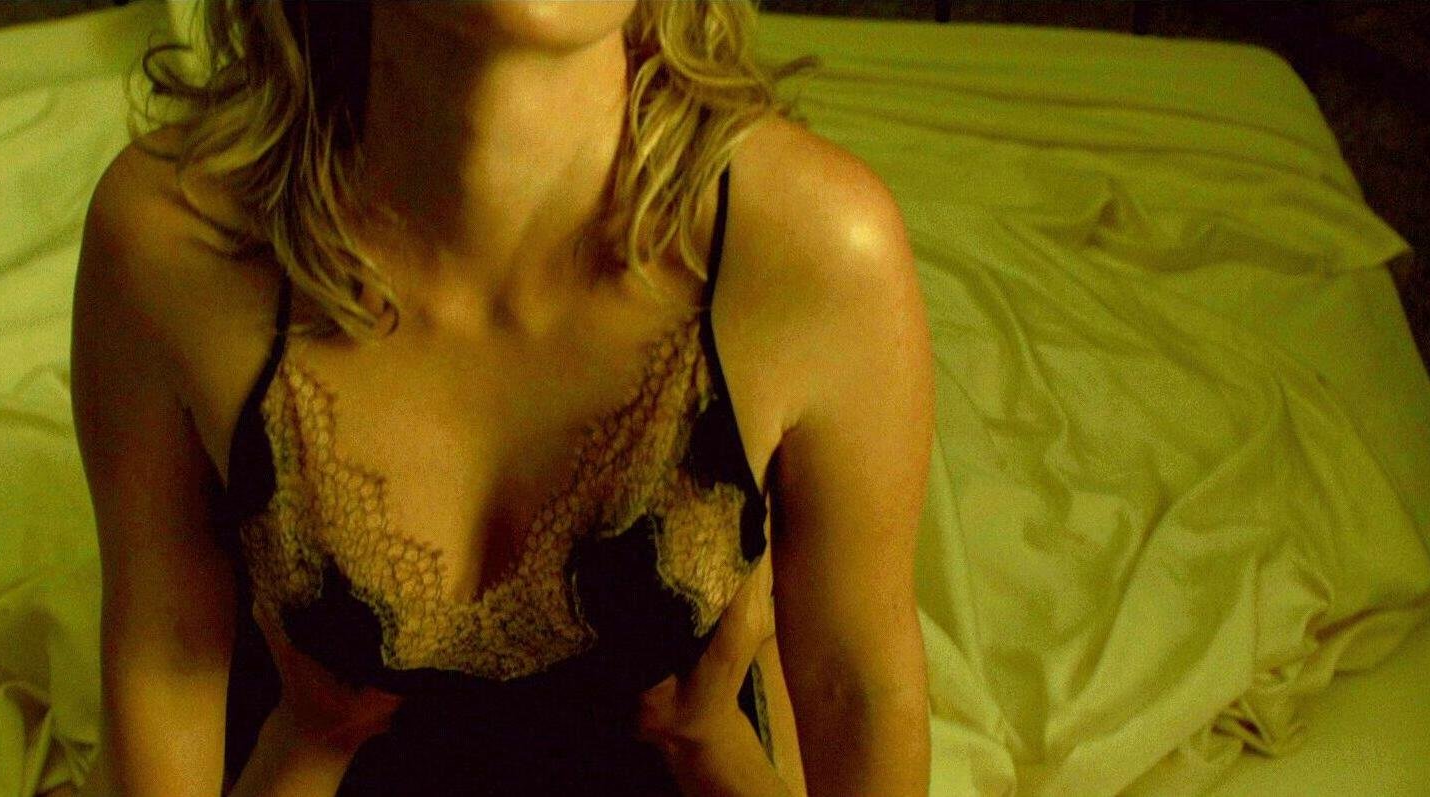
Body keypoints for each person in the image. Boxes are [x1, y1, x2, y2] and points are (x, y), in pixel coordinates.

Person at [67, 1, 935, 794]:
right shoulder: (168, 243)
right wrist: (301, 745)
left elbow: (857, 684)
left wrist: (715, 744)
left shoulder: (816, 248)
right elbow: (166, 661)